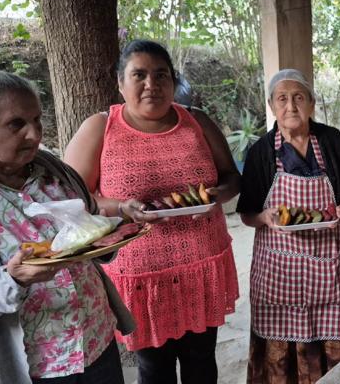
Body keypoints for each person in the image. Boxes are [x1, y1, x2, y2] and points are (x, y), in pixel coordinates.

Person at [63, 40, 240, 384]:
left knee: (202, 361)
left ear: (173, 81)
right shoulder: (101, 127)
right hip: (142, 277)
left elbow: (233, 177)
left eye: (161, 75)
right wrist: (119, 206)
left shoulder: (197, 122)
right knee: (153, 368)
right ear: (120, 82)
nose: (151, 84)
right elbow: (73, 198)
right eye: (139, 75)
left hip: (201, 267)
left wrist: (216, 196)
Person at [0, 69, 135, 384]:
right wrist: (11, 280)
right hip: (35, 366)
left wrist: (114, 229)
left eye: (37, 120)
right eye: (16, 124)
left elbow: (89, 226)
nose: (35, 135)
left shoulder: (55, 171)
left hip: (96, 341)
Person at [237, 68, 340, 383]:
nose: (291, 106)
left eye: (299, 97)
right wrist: (265, 218)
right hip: (279, 270)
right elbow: (247, 213)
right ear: (272, 106)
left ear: (312, 103)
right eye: (282, 99)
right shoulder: (261, 151)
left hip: (328, 264)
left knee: (333, 332)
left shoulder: (330, 141)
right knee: (280, 349)